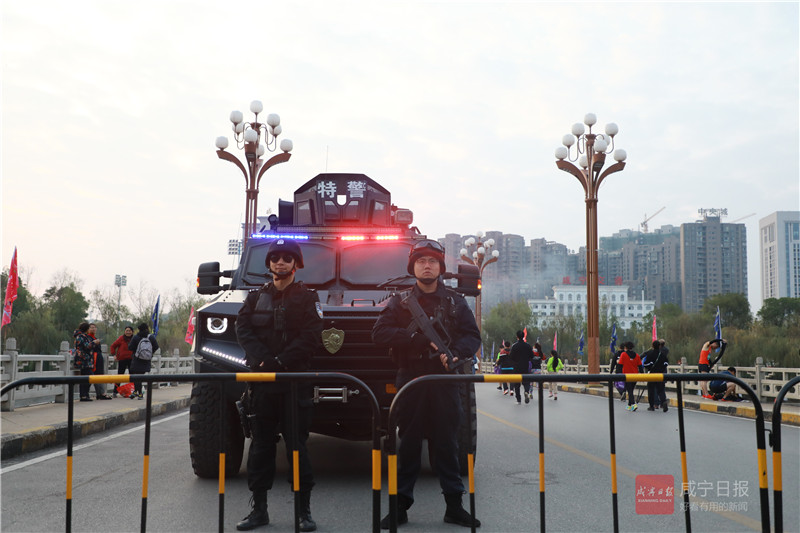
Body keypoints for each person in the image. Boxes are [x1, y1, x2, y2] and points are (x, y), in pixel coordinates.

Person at [372, 239, 481, 529]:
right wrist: (417, 339)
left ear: (440, 267)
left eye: (432, 261)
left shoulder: (455, 302)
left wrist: (455, 353)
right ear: (413, 267)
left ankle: (454, 506)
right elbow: (379, 332)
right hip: (411, 378)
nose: (427, 266)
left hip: (445, 379)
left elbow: (472, 336)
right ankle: (400, 506)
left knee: (447, 442)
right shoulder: (400, 302)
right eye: (421, 261)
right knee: (408, 443)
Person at [234, 238, 323, 532]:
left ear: (296, 263)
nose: (280, 262)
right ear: (269, 263)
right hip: (262, 384)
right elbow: (243, 330)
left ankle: (303, 512)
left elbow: (311, 336)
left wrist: (281, 362)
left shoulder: (308, 298)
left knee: (297, 447)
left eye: (286, 257)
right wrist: (264, 361)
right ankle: (259, 510)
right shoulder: (254, 298)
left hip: (294, 383)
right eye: (275, 258)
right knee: (260, 447)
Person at [128, 323, 159, 400]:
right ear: (147, 329)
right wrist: (149, 354)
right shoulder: (150, 337)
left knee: (136, 377)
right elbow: (156, 346)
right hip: (146, 360)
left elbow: (130, 347)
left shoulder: (136, 337)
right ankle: (136, 392)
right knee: (140, 377)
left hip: (137, 360)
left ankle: (139, 393)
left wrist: (137, 352)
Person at [73, 322, 100, 401]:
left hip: (86, 359)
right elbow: (87, 346)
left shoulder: (82, 336)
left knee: (86, 378)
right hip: (83, 360)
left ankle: (85, 395)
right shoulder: (81, 336)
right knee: (89, 377)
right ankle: (83, 395)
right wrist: (94, 342)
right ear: (86, 329)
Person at [642, 340, 669, 412]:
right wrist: (661, 368)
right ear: (659, 346)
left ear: (652, 346)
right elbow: (666, 363)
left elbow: (646, 364)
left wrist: (650, 367)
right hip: (660, 374)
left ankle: (651, 406)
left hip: (652, 374)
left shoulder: (650, 353)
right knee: (661, 389)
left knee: (651, 390)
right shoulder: (662, 354)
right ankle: (663, 401)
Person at [509, 330, 534, 404]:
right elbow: (532, 356)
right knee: (526, 382)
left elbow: (511, 357)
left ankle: (518, 399)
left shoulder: (514, 346)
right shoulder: (528, 346)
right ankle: (526, 391)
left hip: (516, 367)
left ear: (517, 337)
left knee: (517, 384)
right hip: (525, 366)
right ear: (523, 336)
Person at [88, 323, 111, 400]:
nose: (93, 329)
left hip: (98, 357)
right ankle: (100, 393)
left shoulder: (95, 338)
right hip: (93, 358)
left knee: (100, 374)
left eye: (94, 327)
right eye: (91, 327)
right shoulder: (88, 338)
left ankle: (101, 393)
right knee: (96, 375)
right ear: (88, 329)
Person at [110, 326, 135, 397]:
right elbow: (113, 346)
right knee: (120, 376)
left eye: (129, 331)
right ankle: (115, 392)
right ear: (124, 331)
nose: (128, 332)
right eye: (127, 330)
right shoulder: (121, 338)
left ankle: (133, 391)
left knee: (132, 376)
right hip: (122, 359)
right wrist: (114, 355)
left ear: (132, 332)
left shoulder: (134, 339)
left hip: (132, 359)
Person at [617, 342, 643, 411]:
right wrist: (642, 375)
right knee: (631, 390)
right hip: (635, 376)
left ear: (625, 347)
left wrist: (619, 374)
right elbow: (640, 366)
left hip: (627, 376)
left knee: (629, 390)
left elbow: (620, 365)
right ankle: (629, 405)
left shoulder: (623, 354)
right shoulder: (637, 355)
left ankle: (634, 404)